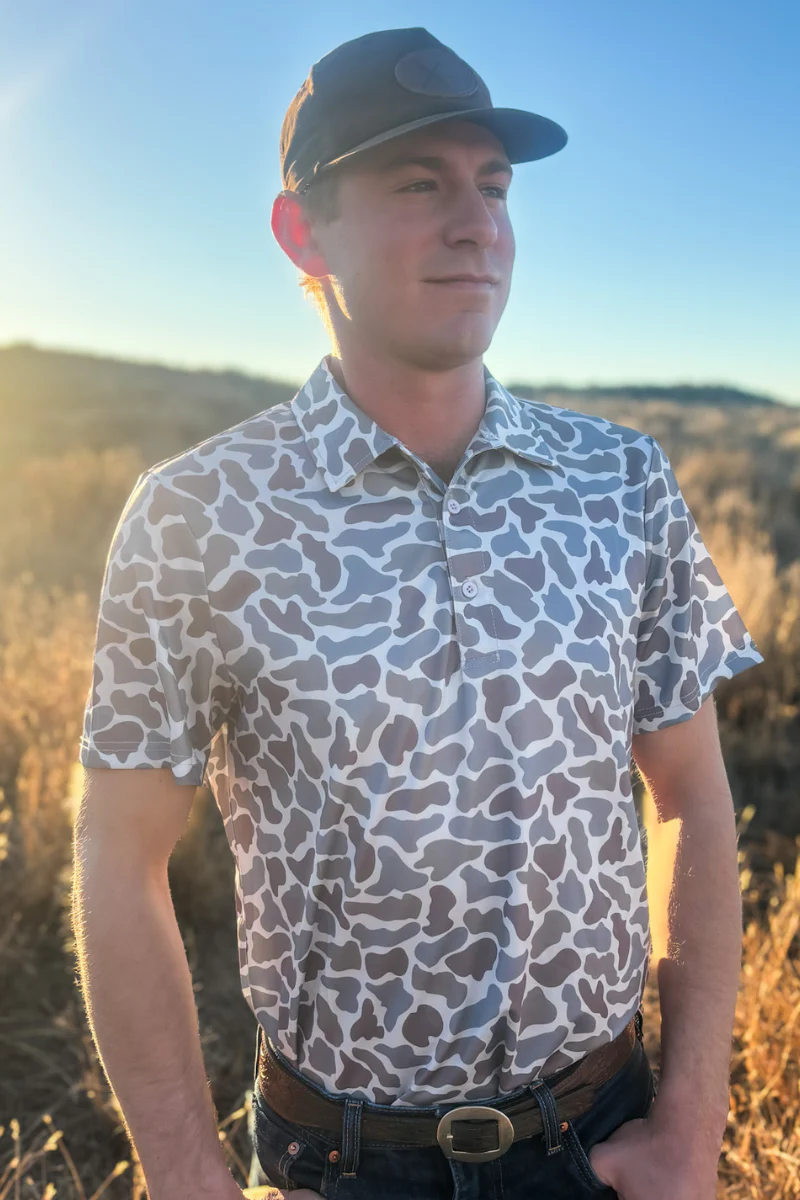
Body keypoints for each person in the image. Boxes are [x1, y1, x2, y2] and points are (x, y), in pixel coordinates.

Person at [73, 24, 765, 1200]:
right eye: (416, 184)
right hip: (339, 1166)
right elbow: (116, 855)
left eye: (491, 186)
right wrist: (186, 1176)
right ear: (302, 232)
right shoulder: (198, 515)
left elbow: (689, 798)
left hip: (600, 1144)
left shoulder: (620, 484)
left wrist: (688, 1132)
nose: (475, 223)